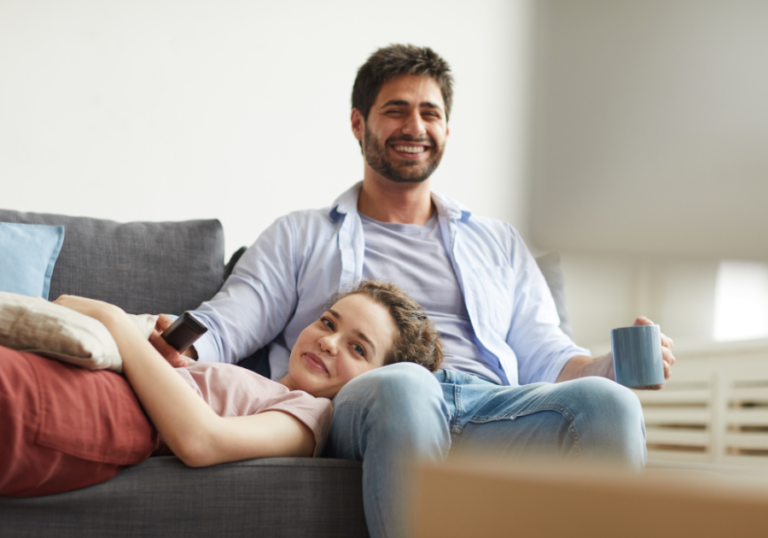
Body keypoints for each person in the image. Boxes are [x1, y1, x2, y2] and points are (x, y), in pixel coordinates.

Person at [150, 45, 677, 538]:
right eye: (396, 110)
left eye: (430, 112)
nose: (415, 126)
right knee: (407, 384)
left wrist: (614, 368)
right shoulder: (301, 233)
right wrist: (179, 347)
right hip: (370, 401)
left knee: (609, 405)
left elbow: (548, 354)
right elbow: (229, 320)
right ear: (359, 124)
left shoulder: (496, 241)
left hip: (491, 403)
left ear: (447, 128)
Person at [0, 281, 442, 497]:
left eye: (358, 348)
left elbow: (201, 440)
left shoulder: (311, 416)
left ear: (374, 380)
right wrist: (159, 357)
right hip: (91, 376)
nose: (328, 341)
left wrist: (119, 327)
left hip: (109, 411)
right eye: (328, 322)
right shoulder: (253, 381)